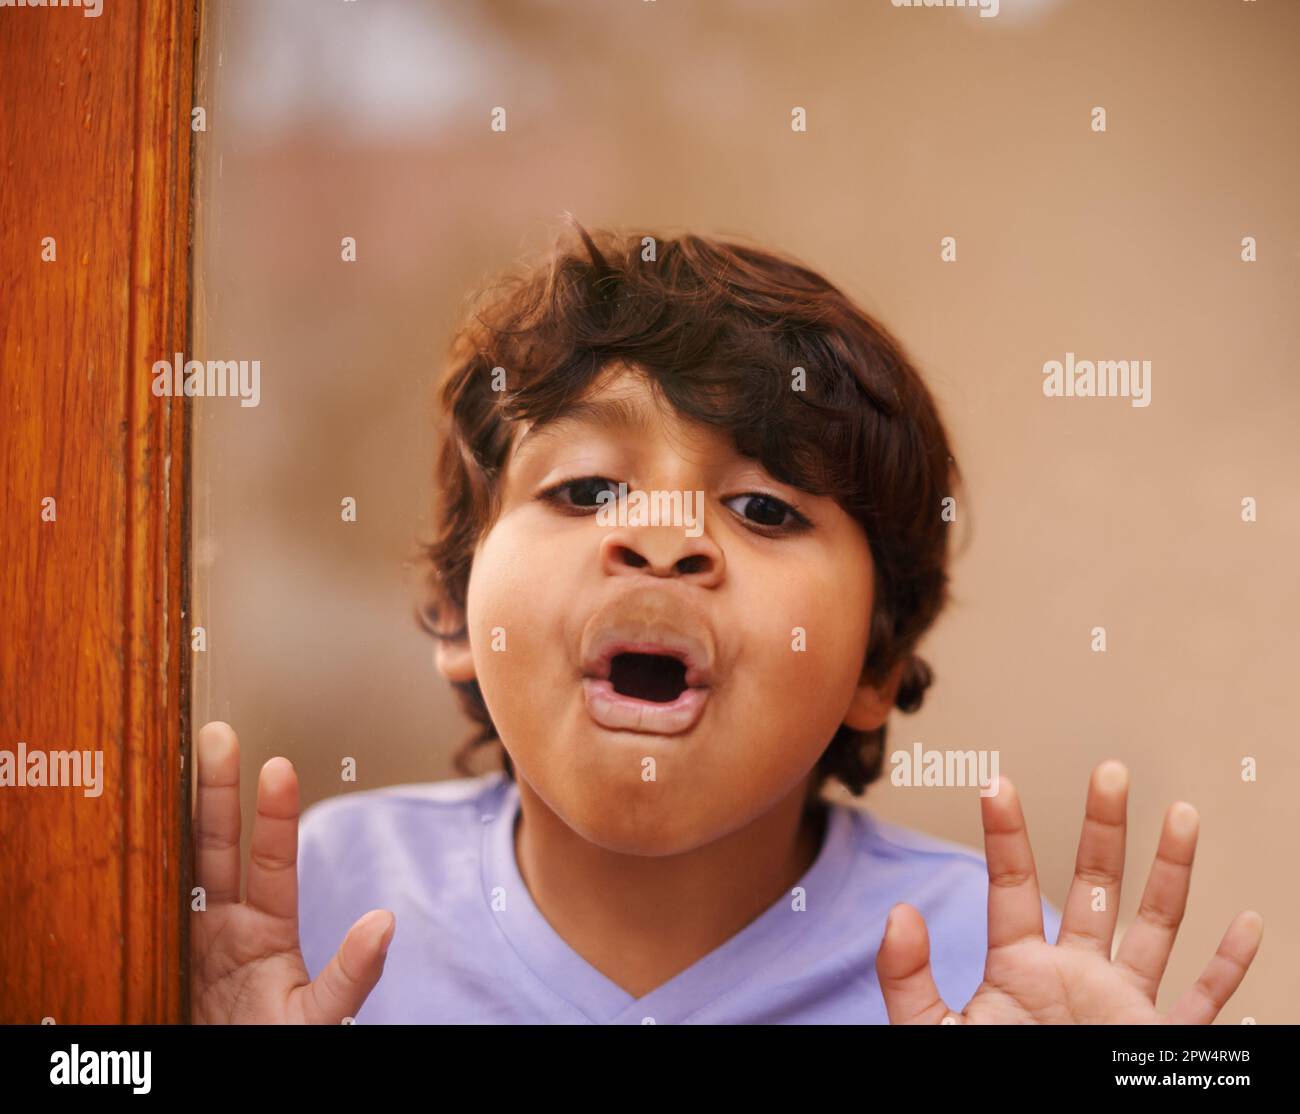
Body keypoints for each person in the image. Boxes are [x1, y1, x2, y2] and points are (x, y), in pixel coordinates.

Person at [190, 220, 1262, 1023]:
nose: (662, 539)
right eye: (584, 490)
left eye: (760, 507)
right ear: (458, 616)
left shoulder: (994, 963)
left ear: (875, 666)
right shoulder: (311, 907)